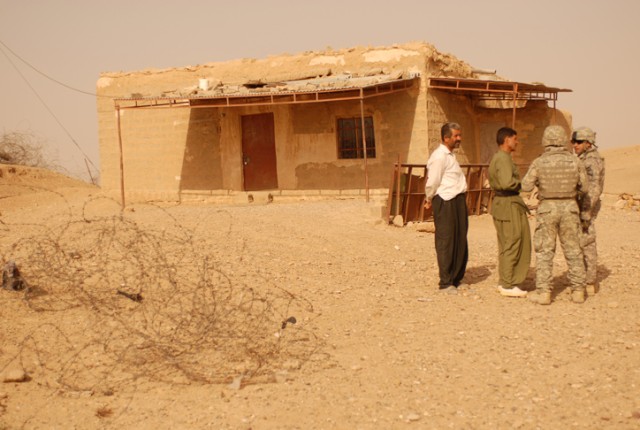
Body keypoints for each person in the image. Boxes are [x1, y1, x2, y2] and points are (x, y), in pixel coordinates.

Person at [522, 125, 589, 305]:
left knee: (545, 251)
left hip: (547, 210)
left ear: (546, 140)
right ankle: (578, 291)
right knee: (574, 250)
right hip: (570, 209)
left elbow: (526, 186)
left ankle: (544, 293)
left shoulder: (539, 162)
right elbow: (585, 187)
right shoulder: (575, 161)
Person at [424, 122, 468, 294]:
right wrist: (428, 198)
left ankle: (456, 278)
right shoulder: (439, 156)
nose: (459, 139)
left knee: (460, 238)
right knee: (446, 240)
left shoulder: (450, 156)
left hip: (456, 200)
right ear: (446, 138)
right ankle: (445, 282)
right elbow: (433, 180)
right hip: (445, 201)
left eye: (459, 135)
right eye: (456, 136)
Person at [488, 127, 531, 298]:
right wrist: (522, 184)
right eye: (515, 138)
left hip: (504, 204)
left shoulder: (500, 158)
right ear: (507, 140)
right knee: (512, 242)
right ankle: (507, 283)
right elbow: (507, 183)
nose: (517, 142)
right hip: (508, 204)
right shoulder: (503, 159)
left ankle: (508, 280)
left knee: (508, 243)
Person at [571, 127, 605, 295]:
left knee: (587, 242)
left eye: (578, 142)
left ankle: (589, 281)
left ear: (588, 143)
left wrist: (585, 211)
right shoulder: (584, 158)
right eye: (573, 142)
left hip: (586, 206)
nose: (574, 145)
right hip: (580, 205)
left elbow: (594, 189)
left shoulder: (591, 160)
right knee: (581, 242)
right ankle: (583, 278)